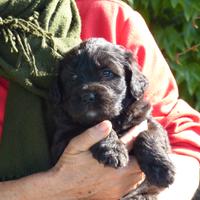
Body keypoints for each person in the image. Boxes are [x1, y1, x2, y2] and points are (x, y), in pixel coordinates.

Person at [0, 0, 199, 199]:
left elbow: (179, 129)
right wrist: (53, 189)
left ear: (132, 81)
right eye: (73, 78)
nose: (88, 92)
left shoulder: (111, 16)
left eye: (108, 74)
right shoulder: (68, 121)